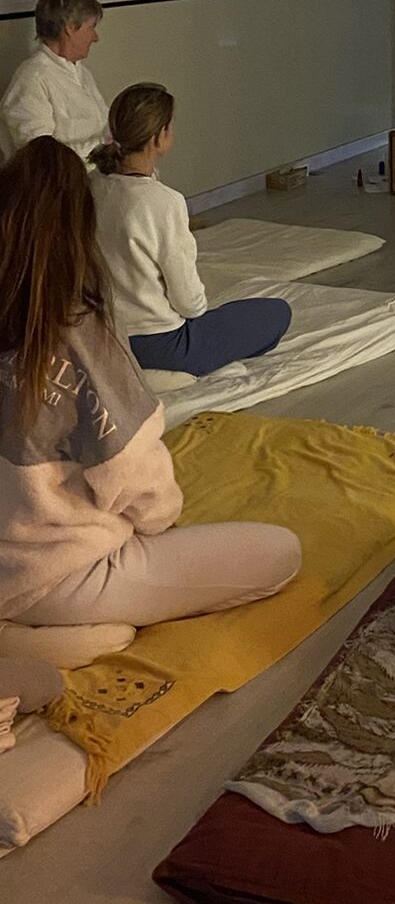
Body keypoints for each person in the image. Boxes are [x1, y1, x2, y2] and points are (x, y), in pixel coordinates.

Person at [0, 137, 301, 646]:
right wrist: (159, 522)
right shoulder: (80, 331)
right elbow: (139, 485)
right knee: (282, 552)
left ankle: (43, 630)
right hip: (60, 572)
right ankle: (33, 633)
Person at [89, 84, 292, 377]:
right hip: (162, 346)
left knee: (236, 316)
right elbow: (190, 304)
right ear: (158, 136)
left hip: (103, 337)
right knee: (277, 312)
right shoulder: (163, 201)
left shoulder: (92, 186)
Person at [0, 0, 108, 163]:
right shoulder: (31, 80)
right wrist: (104, 147)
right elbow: (42, 158)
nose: (95, 37)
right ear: (70, 28)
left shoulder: (82, 73)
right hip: (63, 180)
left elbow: (104, 127)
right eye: (91, 27)